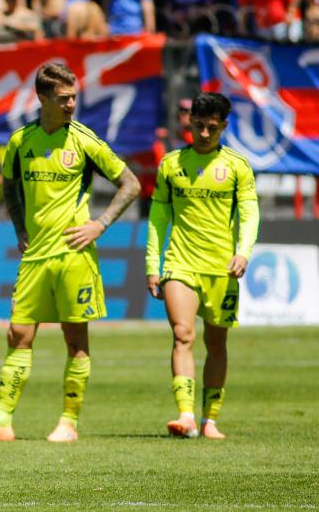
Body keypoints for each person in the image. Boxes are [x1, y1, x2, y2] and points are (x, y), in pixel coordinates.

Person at [0, 62, 140, 444]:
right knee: (18, 335)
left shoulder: (85, 141)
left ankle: (68, 423)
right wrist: (19, 229)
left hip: (74, 255)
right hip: (35, 256)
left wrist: (100, 224)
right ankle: (1, 422)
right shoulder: (21, 141)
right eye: (63, 98)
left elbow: (131, 184)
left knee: (75, 341)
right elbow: (9, 187)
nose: (71, 104)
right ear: (42, 98)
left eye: (73, 97)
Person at [145, 92, 260, 440]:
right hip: (180, 263)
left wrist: (243, 252)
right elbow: (158, 218)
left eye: (212, 127)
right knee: (182, 334)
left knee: (216, 342)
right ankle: (185, 416)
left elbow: (250, 213)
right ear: (190, 123)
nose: (205, 134)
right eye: (199, 126)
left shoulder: (237, 166)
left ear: (223, 126)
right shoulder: (171, 164)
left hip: (221, 268)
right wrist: (153, 263)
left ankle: (210, 419)